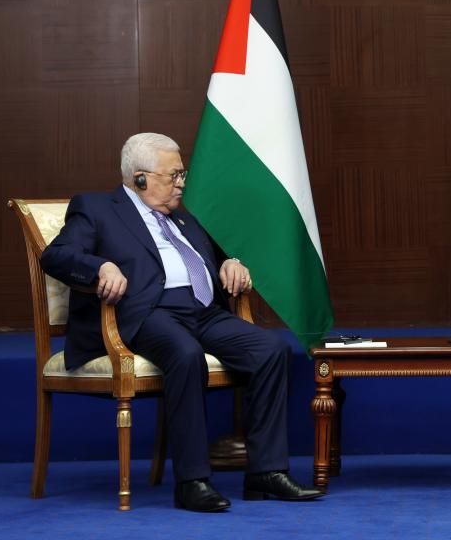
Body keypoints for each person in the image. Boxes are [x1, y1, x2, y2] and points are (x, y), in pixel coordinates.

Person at [41, 133, 323, 512]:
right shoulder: (96, 208)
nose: (182, 183)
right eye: (173, 176)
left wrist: (230, 262)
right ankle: (192, 481)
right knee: (185, 353)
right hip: (146, 313)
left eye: (182, 174)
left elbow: (215, 254)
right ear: (140, 179)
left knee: (270, 350)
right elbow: (57, 256)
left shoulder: (183, 217)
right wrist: (101, 266)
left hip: (203, 311)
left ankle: (266, 473)